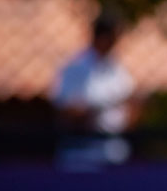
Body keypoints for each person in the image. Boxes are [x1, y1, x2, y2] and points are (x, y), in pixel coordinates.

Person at [52, 12, 139, 171]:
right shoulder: (75, 67)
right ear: (101, 37)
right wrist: (92, 110)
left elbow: (130, 105)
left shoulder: (118, 69)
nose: (115, 44)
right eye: (113, 38)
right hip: (81, 154)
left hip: (113, 152)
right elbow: (65, 110)